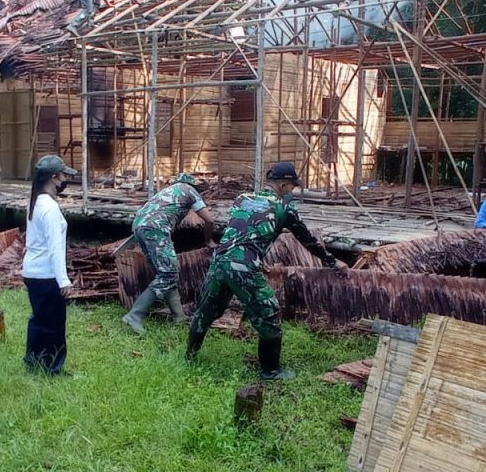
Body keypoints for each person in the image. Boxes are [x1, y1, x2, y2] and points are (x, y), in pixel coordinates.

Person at [186, 162, 344, 381]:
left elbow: (245, 233)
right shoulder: (284, 209)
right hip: (244, 269)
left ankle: (189, 357)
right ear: (281, 184)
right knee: (270, 314)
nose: (292, 191)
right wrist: (332, 260)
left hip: (220, 261)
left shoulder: (242, 198)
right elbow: (307, 239)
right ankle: (271, 371)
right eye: (291, 187)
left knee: (206, 312)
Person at [122, 173, 216, 333]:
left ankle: (178, 316)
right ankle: (134, 315)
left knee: (165, 273)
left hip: (138, 226)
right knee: (168, 274)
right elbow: (209, 220)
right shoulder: (190, 190)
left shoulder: (167, 191)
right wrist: (209, 241)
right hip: (156, 228)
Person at [22, 154, 78, 375]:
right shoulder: (50, 208)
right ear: (54, 177)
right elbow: (55, 248)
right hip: (46, 274)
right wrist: (63, 280)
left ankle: (33, 361)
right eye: (64, 175)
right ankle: (54, 368)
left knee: (38, 319)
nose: (66, 179)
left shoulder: (35, 201)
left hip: (32, 270)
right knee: (54, 324)